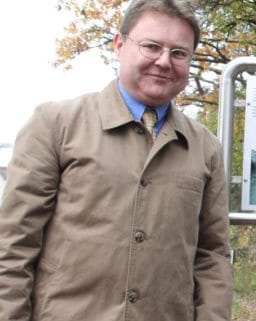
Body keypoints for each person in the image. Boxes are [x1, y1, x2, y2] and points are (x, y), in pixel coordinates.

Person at [0, 0, 233, 320]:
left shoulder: (206, 148)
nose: (164, 62)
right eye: (151, 46)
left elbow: (212, 257)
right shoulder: (57, 124)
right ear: (119, 45)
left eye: (179, 53)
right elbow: (13, 245)